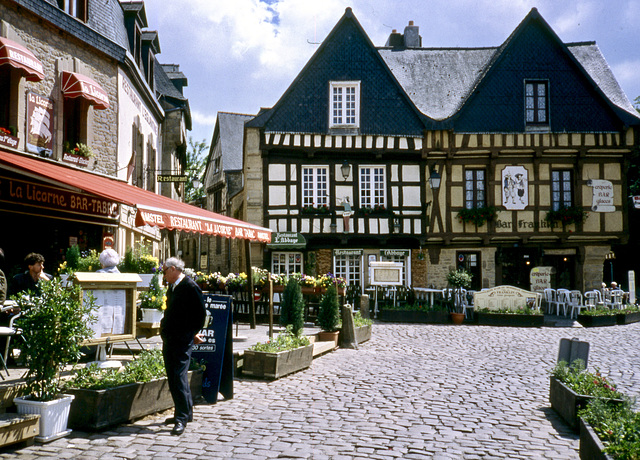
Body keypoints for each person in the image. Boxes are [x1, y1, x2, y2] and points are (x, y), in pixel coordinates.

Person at [160, 257, 206, 436]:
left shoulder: (190, 286)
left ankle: (181, 418)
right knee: (173, 376)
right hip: (171, 337)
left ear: (173, 269)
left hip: (181, 338)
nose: (163, 274)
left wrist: (191, 333)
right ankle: (186, 412)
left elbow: (200, 314)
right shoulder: (173, 286)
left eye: (164, 271)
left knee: (178, 376)